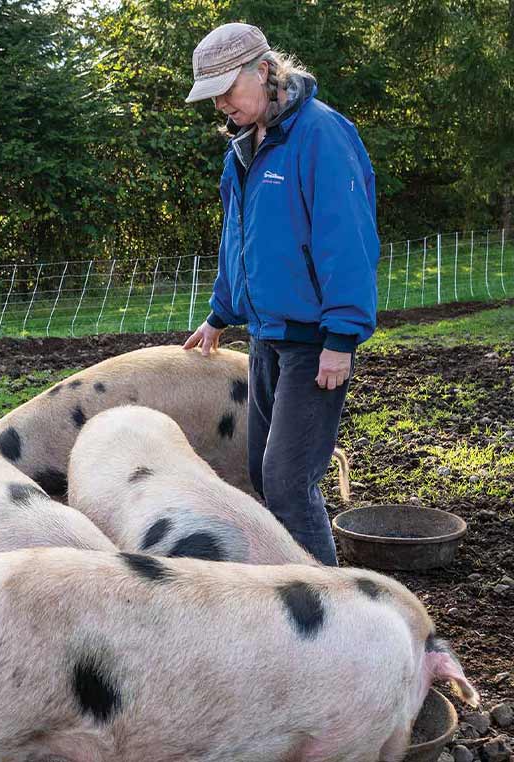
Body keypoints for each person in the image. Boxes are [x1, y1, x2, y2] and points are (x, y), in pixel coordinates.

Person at [182, 23, 379, 566]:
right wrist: (222, 312)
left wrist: (341, 336)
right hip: (268, 335)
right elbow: (239, 241)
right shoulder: (243, 149)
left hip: (315, 340)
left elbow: (347, 240)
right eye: (214, 96)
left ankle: (334, 610)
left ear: (264, 71)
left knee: (289, 483)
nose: (222, 104)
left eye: (228, 89)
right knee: (263, 478)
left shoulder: (321, 135)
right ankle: (290, 600)